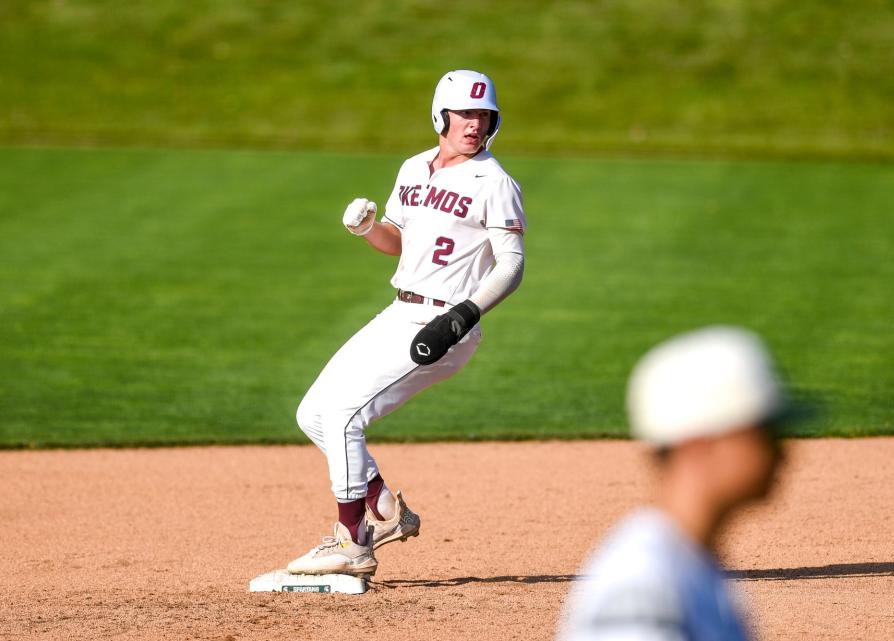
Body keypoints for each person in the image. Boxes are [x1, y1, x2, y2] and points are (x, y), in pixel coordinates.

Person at [287, 70, 527, 578]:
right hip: (401, 311)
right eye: (466, 113)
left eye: (485, 115)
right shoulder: (414, 168)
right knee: (313, 413)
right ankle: (386, 513)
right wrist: (368, 229)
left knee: (346, 415)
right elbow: (399, 240)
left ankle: (352, 544)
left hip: (446, 322)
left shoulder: (495, 183)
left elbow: (511, 266)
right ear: (441, 115)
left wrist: (463, 315)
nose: (475, 124)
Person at [557, 326, 792, 641]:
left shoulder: (690, 565)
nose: (783, 451)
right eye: (764, 430)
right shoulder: (642, 588)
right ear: (699, 445)